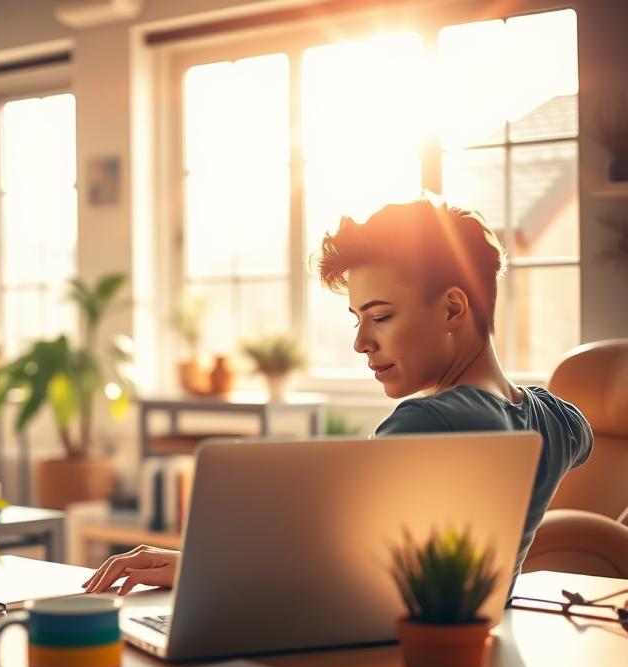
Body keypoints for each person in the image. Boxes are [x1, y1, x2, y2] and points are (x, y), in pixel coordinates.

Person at [83, 197, 593, 596]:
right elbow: (587, 437)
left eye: (381, 316)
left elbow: (328, 567)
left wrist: (201, 569)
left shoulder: (424, 423)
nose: (360, 342)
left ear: (453, 309)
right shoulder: (556, 420)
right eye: (357, 319)